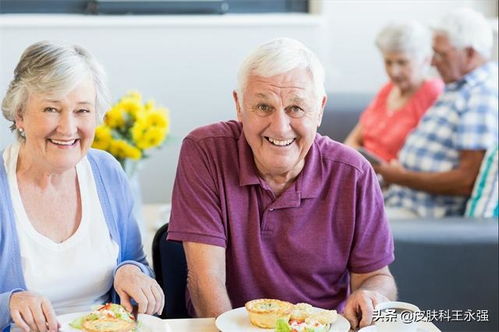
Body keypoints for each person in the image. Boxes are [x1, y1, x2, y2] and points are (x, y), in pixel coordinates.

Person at [167, 38, 396, 330]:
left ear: (320, 109)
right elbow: (205, 280)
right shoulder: (205, 151)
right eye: (263, 106)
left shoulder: (354, 174)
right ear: (239, 105)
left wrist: (371, 295)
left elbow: (377, 276)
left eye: (296, 108)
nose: (279, 127)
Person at [0, 41, 164, 332]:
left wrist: (131, 272)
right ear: (20, 114)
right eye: (52, 108)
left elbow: (134, 261)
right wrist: (7, 305)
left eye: (82, 111)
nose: (68, 128)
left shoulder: (107, 171)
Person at [377, 8, 498, 218]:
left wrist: (400, 176)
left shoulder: (482, 95)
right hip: (401, 199)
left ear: (469, 53)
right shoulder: (459, 86)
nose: (432, 62)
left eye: (441, 54)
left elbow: (467, 181)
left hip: (423, 215)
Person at [345, 21, 444, 162]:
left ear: (425, 60)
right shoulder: (388, 89)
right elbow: (353, 139)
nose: (394, 72)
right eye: (388, 62)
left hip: (394, 179)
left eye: (402, 62)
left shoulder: (434, 92)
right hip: (363, 171)